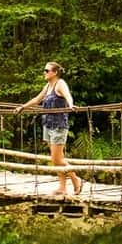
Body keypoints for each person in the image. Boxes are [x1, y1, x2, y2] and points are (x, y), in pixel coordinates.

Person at [15, 62, 82, 195]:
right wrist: (23, 107)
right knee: (55, 159)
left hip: (58, 126)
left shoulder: (60, 84)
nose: (44, 73)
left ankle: (76, 179)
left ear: (55, 72)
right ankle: (62, 187)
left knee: (58, 159)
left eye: (47, 70)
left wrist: (71, 104)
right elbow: (37, 99)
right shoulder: (48, 86)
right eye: (44, 70)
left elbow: (68, 95)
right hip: (48, 125)